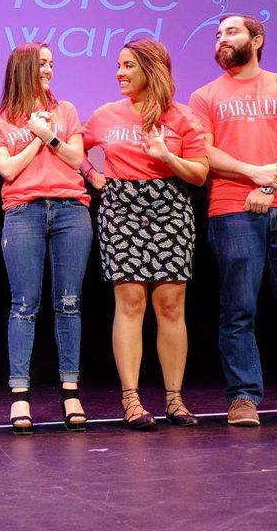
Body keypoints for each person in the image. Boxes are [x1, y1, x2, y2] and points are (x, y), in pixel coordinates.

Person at [189, 14, 277, 426]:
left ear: (257, 38)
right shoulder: (204, 96)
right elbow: (205, 153)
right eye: (217, 35)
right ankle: (243, 397)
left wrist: (268, 187)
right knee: (238, 308)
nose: (221, 40)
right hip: (231, 209)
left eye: (230, 32)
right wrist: (253, 175)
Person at [82, 38, 208, 430]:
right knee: (131, 300)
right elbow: (74, 149)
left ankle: (174, 399)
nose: (120, 73)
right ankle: (132, 400)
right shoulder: (105, 115)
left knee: (170, 303)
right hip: (121, 205)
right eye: (118, 65)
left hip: (170, 204)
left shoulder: (182, 117)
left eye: (128, 66)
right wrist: (92, 175)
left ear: (151, 70)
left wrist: (167, 156)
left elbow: (200, 174)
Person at [0, 42, 92, 434]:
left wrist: (50, 134)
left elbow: (78, 160)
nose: (49, 70)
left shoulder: (66, 112)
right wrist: (35, 136)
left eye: (51, 64)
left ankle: (71, 391)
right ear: (24, 69)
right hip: (23, 213)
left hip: (70, 211)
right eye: (43, 64)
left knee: (69, 303)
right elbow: (8, 169)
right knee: (24, 305)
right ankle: (20, 396)